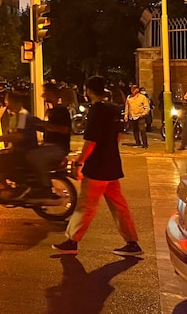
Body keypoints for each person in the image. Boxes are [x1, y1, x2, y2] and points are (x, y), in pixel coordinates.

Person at [52, 76, 143, 257]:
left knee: (86, 205)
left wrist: (79, 161)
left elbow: (91, 141)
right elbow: (119, 136)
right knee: (119, 206)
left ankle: (72, 241)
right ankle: (132, 242)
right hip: (112, 164)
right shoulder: (114, 109)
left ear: (88, 91)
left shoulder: (96, 111)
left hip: (97, 167)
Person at [124, 84, 150, 148]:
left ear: (137, 90)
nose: (132, 90)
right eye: (132, 89)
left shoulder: (142, 97)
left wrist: (143, 113)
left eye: (134, 89)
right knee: (135, 130)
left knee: (142, 130)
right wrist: (126, 115)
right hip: (132, 116)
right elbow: (127, 107)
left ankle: (145, 144)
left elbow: (147, 107)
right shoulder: (129, 97)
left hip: (140, 116)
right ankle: (137, 142)